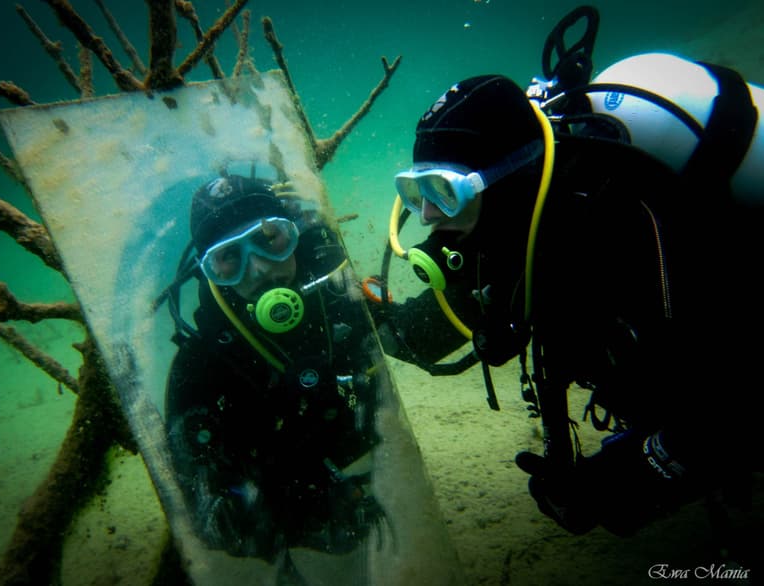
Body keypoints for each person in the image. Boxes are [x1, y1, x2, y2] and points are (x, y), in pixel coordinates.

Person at [370, 6, 762, 558]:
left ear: (504, 182)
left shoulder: (626, 232)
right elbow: (434, 330)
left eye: (443, 191)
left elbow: (736, 409)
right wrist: (364, 315)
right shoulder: (503, 230)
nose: (428, 216)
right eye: (416, 193)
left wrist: (616, 485)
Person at [163, 171, 386, 581]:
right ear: (210, 271)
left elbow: (416, 339)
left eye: (269, 239)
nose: (261, 269)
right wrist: (309, 509)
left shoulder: (339, 300)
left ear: (295, 234)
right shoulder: (200, 365)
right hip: (292, 529)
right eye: (230, 259)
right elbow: (210, 515)